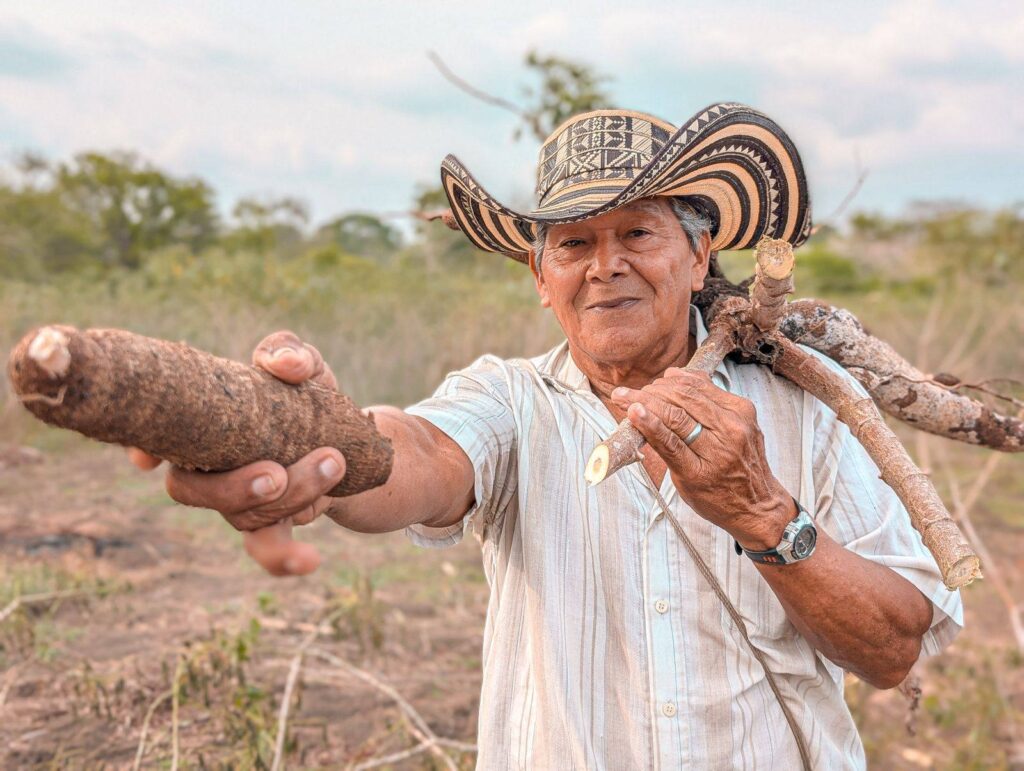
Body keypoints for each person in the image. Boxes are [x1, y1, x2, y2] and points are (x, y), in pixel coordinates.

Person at [130, 103, 962, 768]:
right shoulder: (509, 400)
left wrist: (764, 515)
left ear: (698, 255)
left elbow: (893, 649)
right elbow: (417, 454)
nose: (605, 266)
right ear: (540, 276)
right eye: (573, 243)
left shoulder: (806, 405)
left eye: (637, 233)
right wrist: (316, 440)